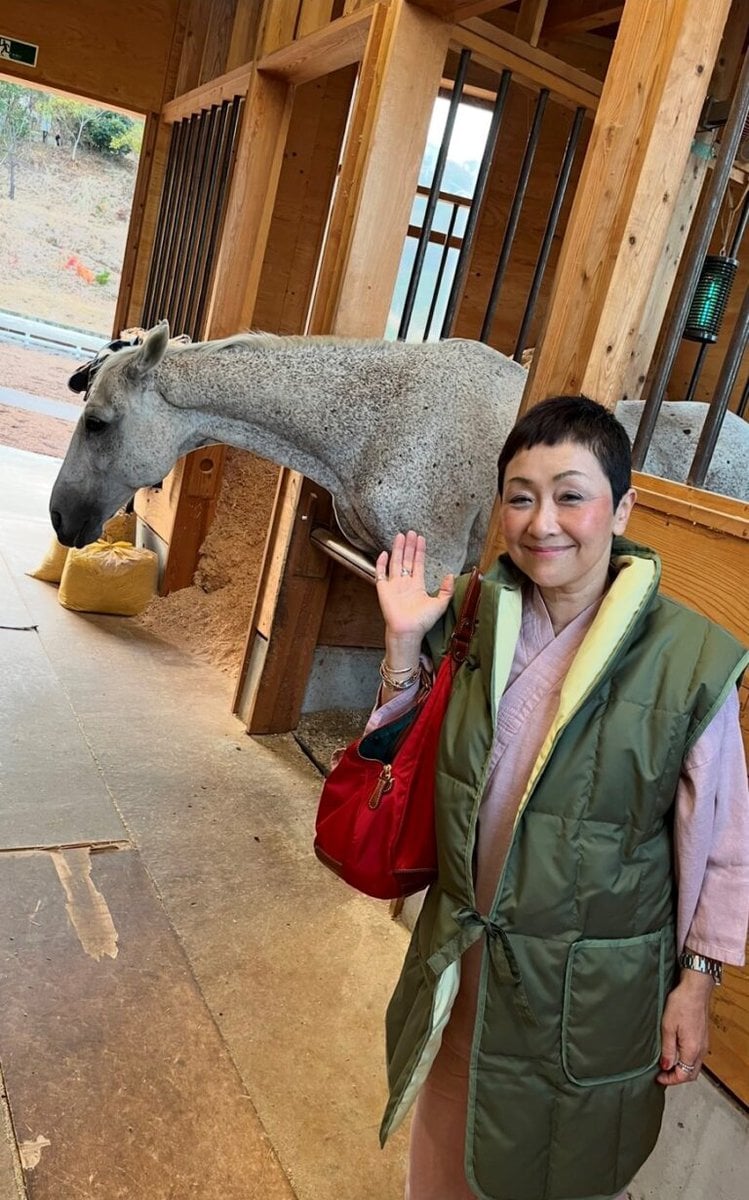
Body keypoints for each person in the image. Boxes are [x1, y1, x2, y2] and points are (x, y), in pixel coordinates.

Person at [368, 396, 749, 1200]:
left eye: (570, 494)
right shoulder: (471, 618)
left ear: (622, 506)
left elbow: (722, 840)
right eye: (519, 495)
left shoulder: (689, 661)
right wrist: (404, 647)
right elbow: (404, 768)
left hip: (590, 978)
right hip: (464, 953)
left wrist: (697, 981)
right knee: (444, 1141)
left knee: (560, 1161)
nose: (542, 522)